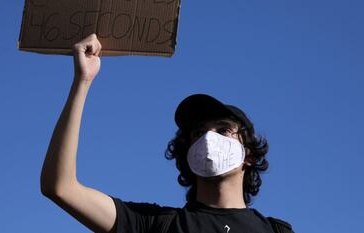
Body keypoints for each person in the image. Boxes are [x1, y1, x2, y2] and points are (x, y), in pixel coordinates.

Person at [40, 34, 295, 233]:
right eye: (198, 132)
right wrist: (82, 81)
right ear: (188, 152)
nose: (208, 138)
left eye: (223, 130)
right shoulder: (155, 224)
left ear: (249, 155)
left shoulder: (276, 230)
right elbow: (60, 187)